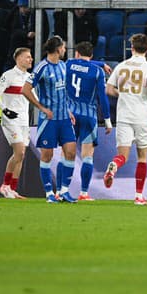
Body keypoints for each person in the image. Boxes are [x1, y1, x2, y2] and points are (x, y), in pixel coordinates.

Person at [103, 34, 147, 205]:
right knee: (142, 157)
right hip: (142, 117)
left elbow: (108, 89)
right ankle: (138, 196)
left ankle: (114, 166)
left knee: (122, 155)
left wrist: (121, 94)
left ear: (132, 48)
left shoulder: (121, 66)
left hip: (123, 116)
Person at [21, 35, 78, 203]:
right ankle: (49, 194)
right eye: (64, 47)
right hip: (49, 120)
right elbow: (25, 89)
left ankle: (64, 191)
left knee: (71, 152)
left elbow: (63, 92)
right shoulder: (42, 68)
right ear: (58, 48)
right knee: (47, 155)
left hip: (64, 118)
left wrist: (67, 110)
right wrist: (41, 108)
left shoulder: (63, 66)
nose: (65, 50)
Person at [62, 41, 112, 201]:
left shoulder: (68, 64)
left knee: (66, 154)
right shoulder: (97, 72)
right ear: (91, 55)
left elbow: (79, 63)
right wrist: (108, 120)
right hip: (89, 116)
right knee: (88, 155)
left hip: (69, 114)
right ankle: (84, 193)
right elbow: (102, 97)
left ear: (76, 53)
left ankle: (62, 190)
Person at [0, 47, 33, 199]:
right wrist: (5, 110)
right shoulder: (8, 75)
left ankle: (12, 189)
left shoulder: (30, 77)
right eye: (28, 57)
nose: (30, 59)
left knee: (20, 155)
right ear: (19, 59)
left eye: (30, 57)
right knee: (20, 151)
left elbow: (34, 98)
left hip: (24, 120)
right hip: (11, 119)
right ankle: (5, 186)